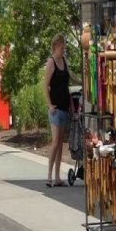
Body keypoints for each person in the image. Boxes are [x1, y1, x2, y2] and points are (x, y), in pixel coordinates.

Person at [44, 33, 71, 187]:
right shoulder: (51, 62)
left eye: (64, 45)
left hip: (64, 106)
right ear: (55, 46)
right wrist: (49, 104)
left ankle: (57, 176)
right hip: (55, 109)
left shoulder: (64, 61)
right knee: (55, 142)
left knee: (61, 143)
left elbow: (69, 77)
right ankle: (48, 175)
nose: (63, 48)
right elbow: (45, 86)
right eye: (61, 45)